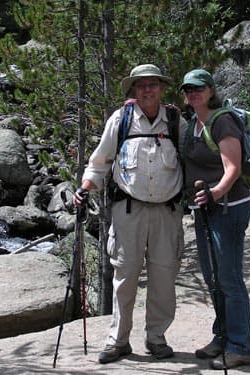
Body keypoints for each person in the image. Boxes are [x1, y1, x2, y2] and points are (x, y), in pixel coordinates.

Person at [73, 64, 185, 364]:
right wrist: (84, 189)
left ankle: (156, 338)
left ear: (161, 87)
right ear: (134, 90)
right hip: (128, 211)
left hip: (167, 212)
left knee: (164, 277)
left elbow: (194, 159)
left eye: (152, 84)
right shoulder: (120, 120)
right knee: (125, 277)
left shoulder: (175, 121)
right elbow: (100, 161)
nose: (147, 89)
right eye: (141, 85)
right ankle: (118, 340)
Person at [180, 68, 250, 370]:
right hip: (206, 209)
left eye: (198, 88)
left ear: (211, 90)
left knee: (229, 278)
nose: (193, 93)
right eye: (188, 89)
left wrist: (216, 192)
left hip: (229, 208)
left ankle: (241, 345)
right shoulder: (192, 124)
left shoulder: (222, 120)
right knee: (213, 277)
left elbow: (232, 167)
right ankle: (222, 336)